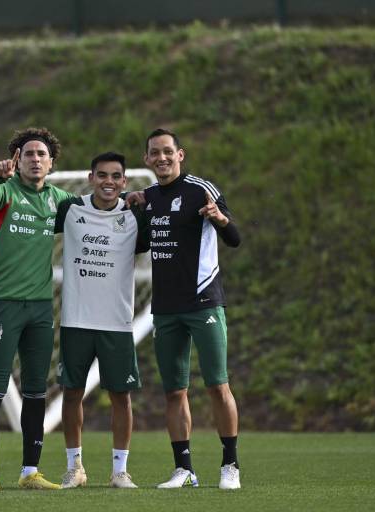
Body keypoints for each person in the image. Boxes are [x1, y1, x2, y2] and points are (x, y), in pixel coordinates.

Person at [142, 128, 242, 490]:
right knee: (174, 392)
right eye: (155, 153)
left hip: (203, 302)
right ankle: (184, 470)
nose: (162, 158)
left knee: (218, 385)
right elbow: (140, 242)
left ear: (180, 154)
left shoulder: (202, 189)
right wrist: (128, 203)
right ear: (147, 159)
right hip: (166, 308)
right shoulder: (149, 198)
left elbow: (234, 239)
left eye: (168, 152)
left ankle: (230, 465)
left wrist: (219, 218)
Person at [0, 127, 73, 491]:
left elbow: (93, 211)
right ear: (16, 161)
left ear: (51, 162)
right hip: (4, 305)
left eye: (41, 154)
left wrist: (129, 198)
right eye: (27, 153)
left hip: (40, 309)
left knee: (36, 390)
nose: (35, 159)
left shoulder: (58, 199)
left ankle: (30, 471)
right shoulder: (4, 192)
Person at [54, 152, 149, 490]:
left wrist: (141, 199)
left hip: (117, 323)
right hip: (76, 320)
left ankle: (119, 471)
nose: (109, 181)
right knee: (71, 393)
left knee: (121, 397)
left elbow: (167, 217)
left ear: (124, 182)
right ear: (90, 177)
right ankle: (74, 467)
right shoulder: (69, 209)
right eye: (102, 175)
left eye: (116, 176)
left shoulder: (135, 214)